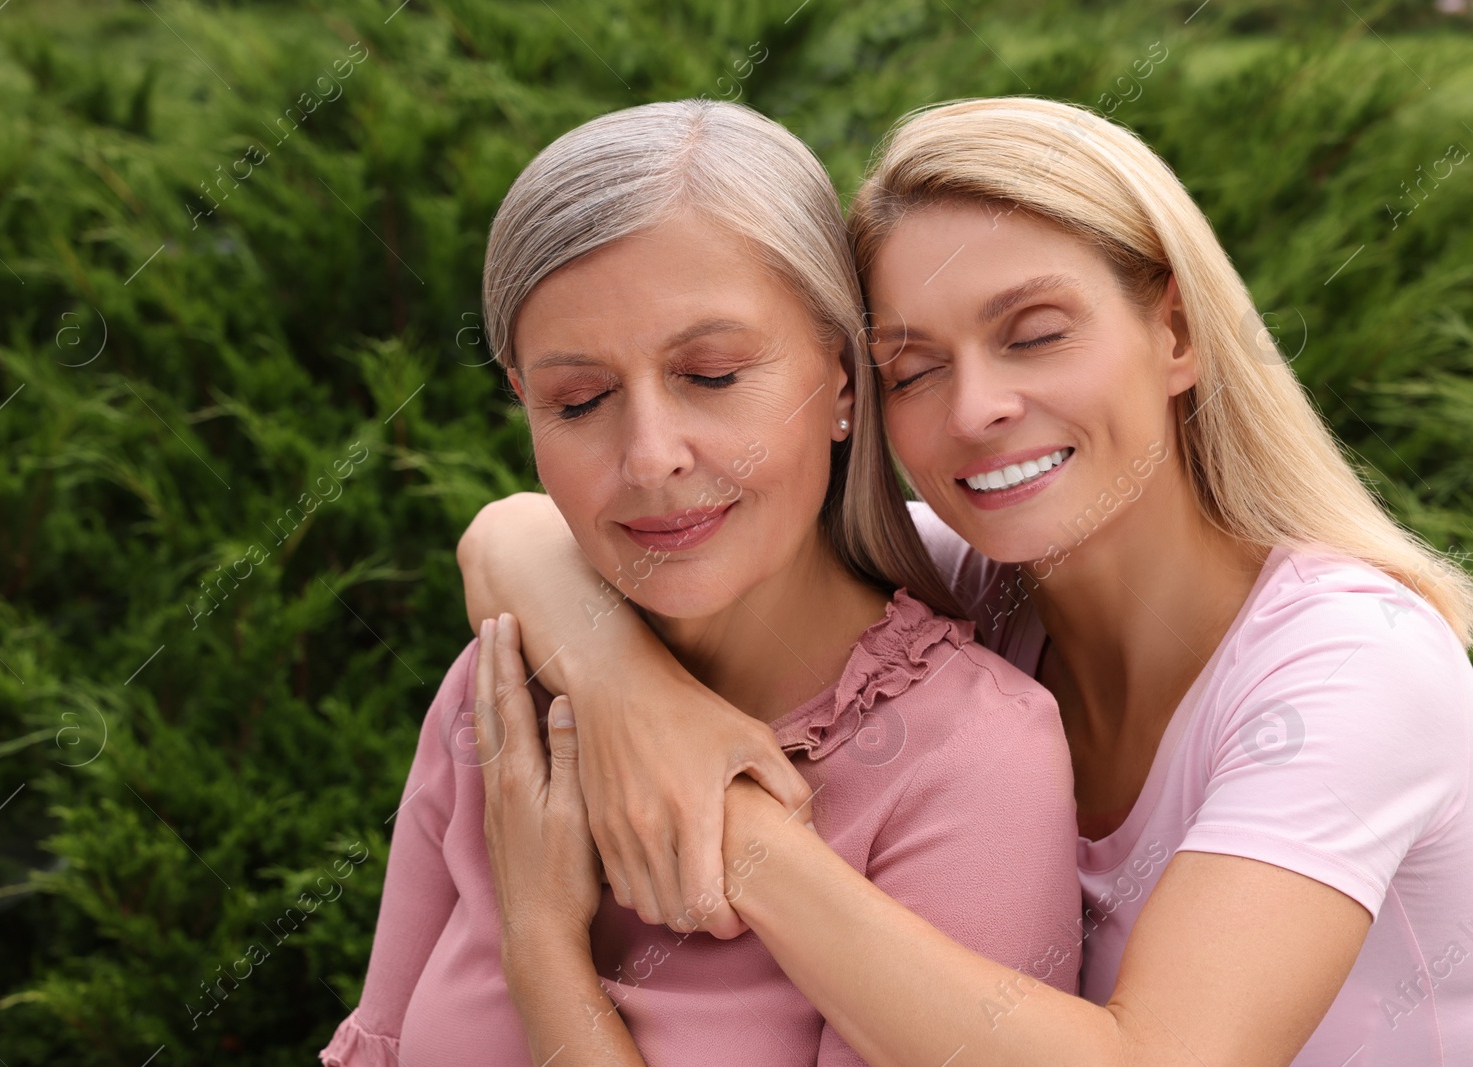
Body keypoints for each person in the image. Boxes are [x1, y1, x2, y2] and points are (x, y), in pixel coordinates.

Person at [460, 97, 1473, 1065]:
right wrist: (635, 699)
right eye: (912, 367)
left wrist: (729, 823)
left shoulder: (1353, 667)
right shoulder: (964, 582)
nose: (977, 406)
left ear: (1175, 332)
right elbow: (510, 535)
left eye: (1033, 334)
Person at [319, 99, 1081, 1067]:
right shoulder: (504, 685)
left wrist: (543, 950)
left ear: (843, 378)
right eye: (578, 399)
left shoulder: (972, 757)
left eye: (712, 375)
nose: (649, 457)